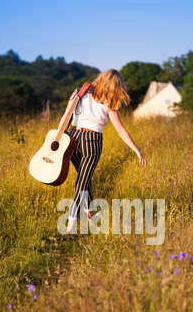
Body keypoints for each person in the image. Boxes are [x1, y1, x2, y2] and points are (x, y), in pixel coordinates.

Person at [57, 68, 147, 234]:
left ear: (100, 78)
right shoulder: (110, 100)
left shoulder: (80, 90)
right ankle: (71, 224)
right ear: (117, 86)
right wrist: (136, 150)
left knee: (84, 179)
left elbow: (65, 117)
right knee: (82, 182)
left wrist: (57, 139)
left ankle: (91, 215)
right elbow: (120, 129)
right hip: (92, 141)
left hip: (72, 137)